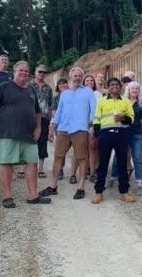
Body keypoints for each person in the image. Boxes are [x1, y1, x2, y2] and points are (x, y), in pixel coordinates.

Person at [0, 61, 50, 207]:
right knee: (6, 163)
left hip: (28, 135)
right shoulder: (4, 87)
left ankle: (33, 196)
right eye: (21, 71)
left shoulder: (31, 90)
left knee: (32, 164)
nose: (24, 73)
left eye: (26, 71)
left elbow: (38, 112)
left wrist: (38, 128)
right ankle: (8, 196)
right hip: (8, 133)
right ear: (14, 72)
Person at [39, 66, 97, 200]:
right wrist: (52, 124)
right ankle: (53, 186)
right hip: (63, 129)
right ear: (71, 77)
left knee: (82, 158)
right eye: (75, 75)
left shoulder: (88, 92)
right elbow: (59, 111)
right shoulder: (65, 94)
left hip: (80, 129)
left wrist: (93, 127)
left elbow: (94, 111)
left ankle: (81, 186)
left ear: (82, 77)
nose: (77, 78)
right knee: (58, 157)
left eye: (79, 75)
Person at [91, 78, 136, 204]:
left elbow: (131, 119)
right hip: (105, 135)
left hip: (121, 135)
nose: (115, 86)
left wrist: (123, 117)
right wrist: (99, 135)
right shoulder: (101, 101)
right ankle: (98, 192)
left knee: (122, 164)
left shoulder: (126, 102)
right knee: (103, 164)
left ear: (121, 87)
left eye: (117, 84)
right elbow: (96, 120)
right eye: (112, 85)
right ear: (108, 87)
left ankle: (124, 192)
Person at [30, 65, 53, 178]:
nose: (42, 74)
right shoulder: (29, 86)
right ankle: (27, 167)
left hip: (43, 118)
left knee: (42, 142)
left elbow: (49, 106)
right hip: (30, 117)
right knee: (28, 141)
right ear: (35, 72)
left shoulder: (48, 88)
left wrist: (50, 122)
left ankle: (40, 168)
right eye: (40, 71)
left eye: (44, 72)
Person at [82, 74, 104, 183]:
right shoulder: (80, 93)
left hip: (93, 124)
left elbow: (100, 109)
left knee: (93, 149)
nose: (90, 82)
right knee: (83, 149)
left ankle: (93, 172)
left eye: (91, 81)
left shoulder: (97, 94)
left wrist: (95, 122)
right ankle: (85, 170)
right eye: (87, 81)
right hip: (82, 125)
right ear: (84, 82)